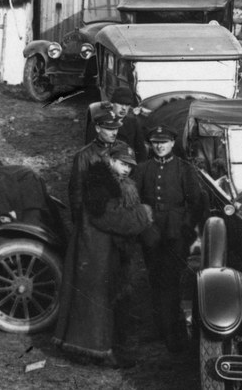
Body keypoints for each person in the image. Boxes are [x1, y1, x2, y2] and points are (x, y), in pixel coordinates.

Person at [54, 142, 155, 367]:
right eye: (122, 163)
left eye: (130, 165)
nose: (127, 169)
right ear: (110, 160)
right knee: (95, 302)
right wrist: (142, 214)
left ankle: (100, 348)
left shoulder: (118, 183)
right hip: (95, 253)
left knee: (103, 301)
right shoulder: (99, 185)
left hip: (105, 252)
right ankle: (92, 350)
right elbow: (111, 217)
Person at [132, 124, 207, 353]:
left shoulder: (184, 169)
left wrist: (189, 231)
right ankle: (159, 329)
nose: (160, 146)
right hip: (151, 229)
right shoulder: (143, 169)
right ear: (150, 144)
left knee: (171, 280)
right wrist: (144, 227)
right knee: (155, 277)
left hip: (177, 232)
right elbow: (134, 200)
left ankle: (174, 334)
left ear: (173, 143)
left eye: (164, 142)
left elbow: (196, 202)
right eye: (155, 142)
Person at [69, 104, 123, 228]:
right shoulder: (84, 155)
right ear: (98, 129)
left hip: (119, 214)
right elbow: (76, 191)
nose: (114, 133)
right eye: (109, 129)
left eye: (116, 128)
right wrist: (79, 222)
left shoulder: (122, 149)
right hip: (95, 216)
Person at [109, 87, 150, 159]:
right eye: (120, 103)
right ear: (112, 103)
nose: (124, 108)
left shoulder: (133, 123)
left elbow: (140, 151)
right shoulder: (101, 122)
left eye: (127, 104)